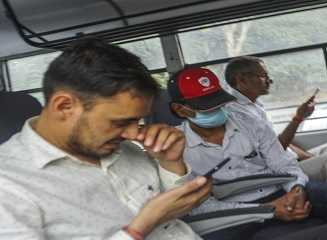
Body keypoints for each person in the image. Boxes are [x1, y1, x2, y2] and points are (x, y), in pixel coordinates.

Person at [0, 39, 212, 240]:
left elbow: (177, 213)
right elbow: (154, 218)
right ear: (64, 107)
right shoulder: (8, 185)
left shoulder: (123, 147)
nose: (132, 134)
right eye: (119, 122)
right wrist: (139, 228)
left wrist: (170, 163)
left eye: (137, 121)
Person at [168, 67, 327, 230]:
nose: (218, 111)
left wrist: (296, 189)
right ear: (180, 109)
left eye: (218, 103)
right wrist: (266, 208)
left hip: (278, 190)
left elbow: (284, 163)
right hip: (235, 209)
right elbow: (199, 206)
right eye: (207, 107)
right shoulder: (175, 147)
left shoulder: (248, 122)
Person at [223, 56, 327, 217]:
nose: (270, 81)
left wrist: (307, 156)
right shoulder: (237, 114)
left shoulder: (255, 106)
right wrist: (298, 118)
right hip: (277, 171)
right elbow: (275, 151)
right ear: (242, 79)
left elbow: (276, 143)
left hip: (288, 159)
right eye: (264, 76)